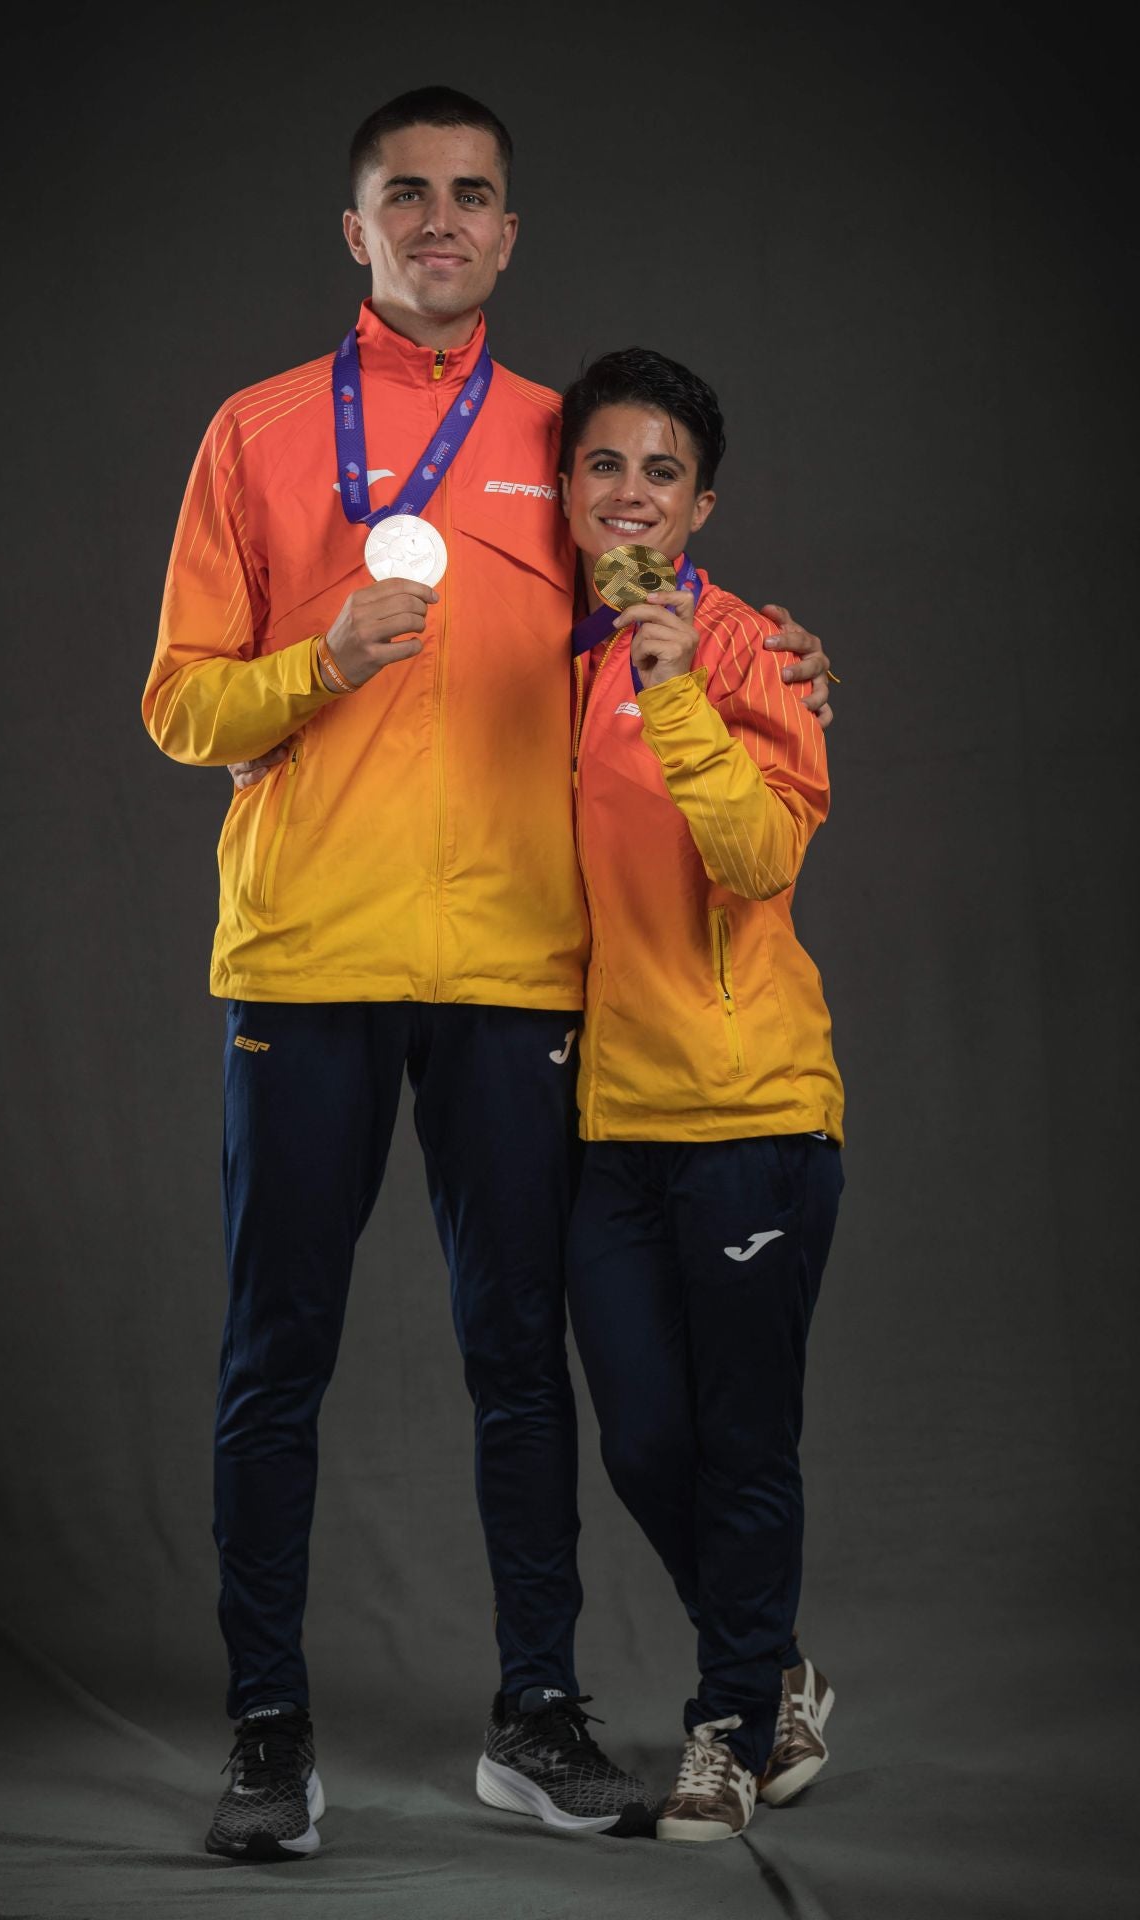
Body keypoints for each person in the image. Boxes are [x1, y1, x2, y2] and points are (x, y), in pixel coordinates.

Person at [142, 87, 832, 1860]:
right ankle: (268, 1737)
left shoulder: (566, 432)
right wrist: (313, 664)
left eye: (474, 197)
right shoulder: (259, 434)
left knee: (520, 1357)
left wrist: (778, 655)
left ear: (509, 233)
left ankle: (538, 1717)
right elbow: (176, 703)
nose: (441, 220)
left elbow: (675, 595)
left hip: (523, 977)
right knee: (271, 1356)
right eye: (406, 196)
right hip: (305, 959)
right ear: (355, 229)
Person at [558, 347, 844, 1844]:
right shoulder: (562, 656)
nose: (629, 494)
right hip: (615, 1126)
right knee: (646, 1444)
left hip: (754, 1118)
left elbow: (756, 860)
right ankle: (779, 1665)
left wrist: (681, 688)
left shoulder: (747, 653)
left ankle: (727, 1727)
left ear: (702, 503)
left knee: (740, 1444)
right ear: (567, 490)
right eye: (604, 465)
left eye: (659, 470)